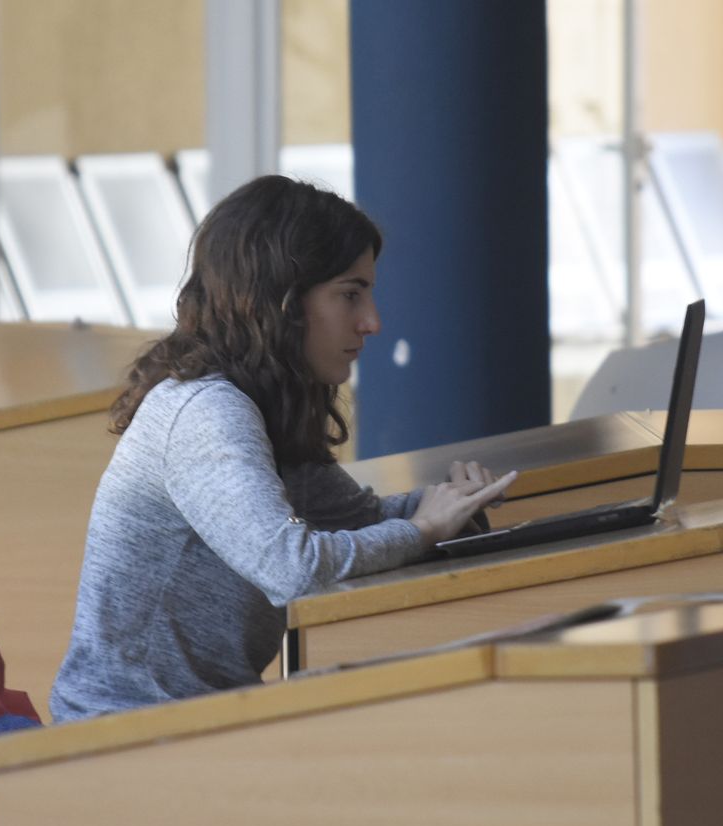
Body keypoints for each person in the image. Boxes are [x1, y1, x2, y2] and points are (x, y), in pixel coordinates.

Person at [50, 175, 515, 721]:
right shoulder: (205, 411)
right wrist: (423, 529)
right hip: (120, 739)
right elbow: (292, 571)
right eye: (350, 294)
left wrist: (449, 506)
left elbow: (359, 522)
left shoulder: (265, 405)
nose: (372, 322)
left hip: (193, 725)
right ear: (282, 302)